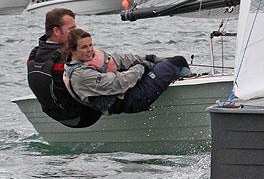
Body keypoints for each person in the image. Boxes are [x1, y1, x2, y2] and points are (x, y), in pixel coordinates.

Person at [62, 29, 191, 115]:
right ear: (72, 50)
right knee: (178, 62)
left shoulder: (87, 59)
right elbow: (119, 83)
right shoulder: (81, 75)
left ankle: (182, 79)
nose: (90, 50)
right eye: (84, 47)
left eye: (90, 45)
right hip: (132, 99)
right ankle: (190, 96)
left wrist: (149, 58)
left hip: (130, 90)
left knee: (166, 61)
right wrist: (142, 67)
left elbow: (120, 59)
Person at [27, 8, 103, 128]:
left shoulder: (35, 54)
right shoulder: (67, 56)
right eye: (71, 29)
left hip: (58, 116)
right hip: (85, 116)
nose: (76, 32)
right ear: (56, 31)